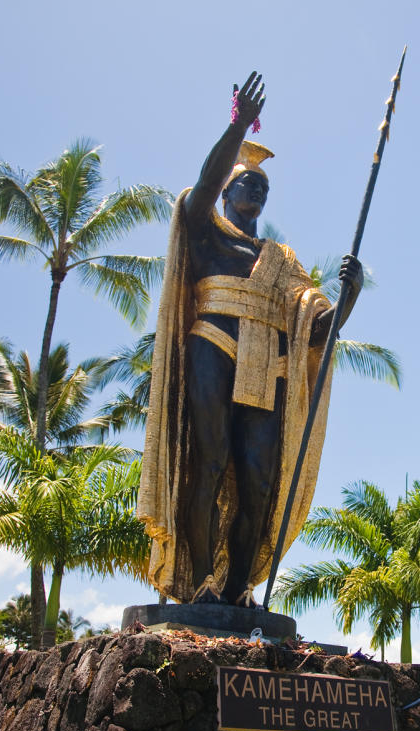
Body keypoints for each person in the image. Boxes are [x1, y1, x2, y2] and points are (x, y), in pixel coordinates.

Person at [140, 72, 364, 606]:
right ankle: (202, 584)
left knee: (259, 482)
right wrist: (238, 127)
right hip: (213, 343)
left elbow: (316, 331)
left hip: (268, 364)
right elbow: (202, 183)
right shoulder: (206, 230)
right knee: (210, 460)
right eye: (247, 182)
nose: (258, 189)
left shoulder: (282, 261)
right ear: (226, 190)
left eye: (264, 187)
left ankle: (239, 588)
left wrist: (348, 297)